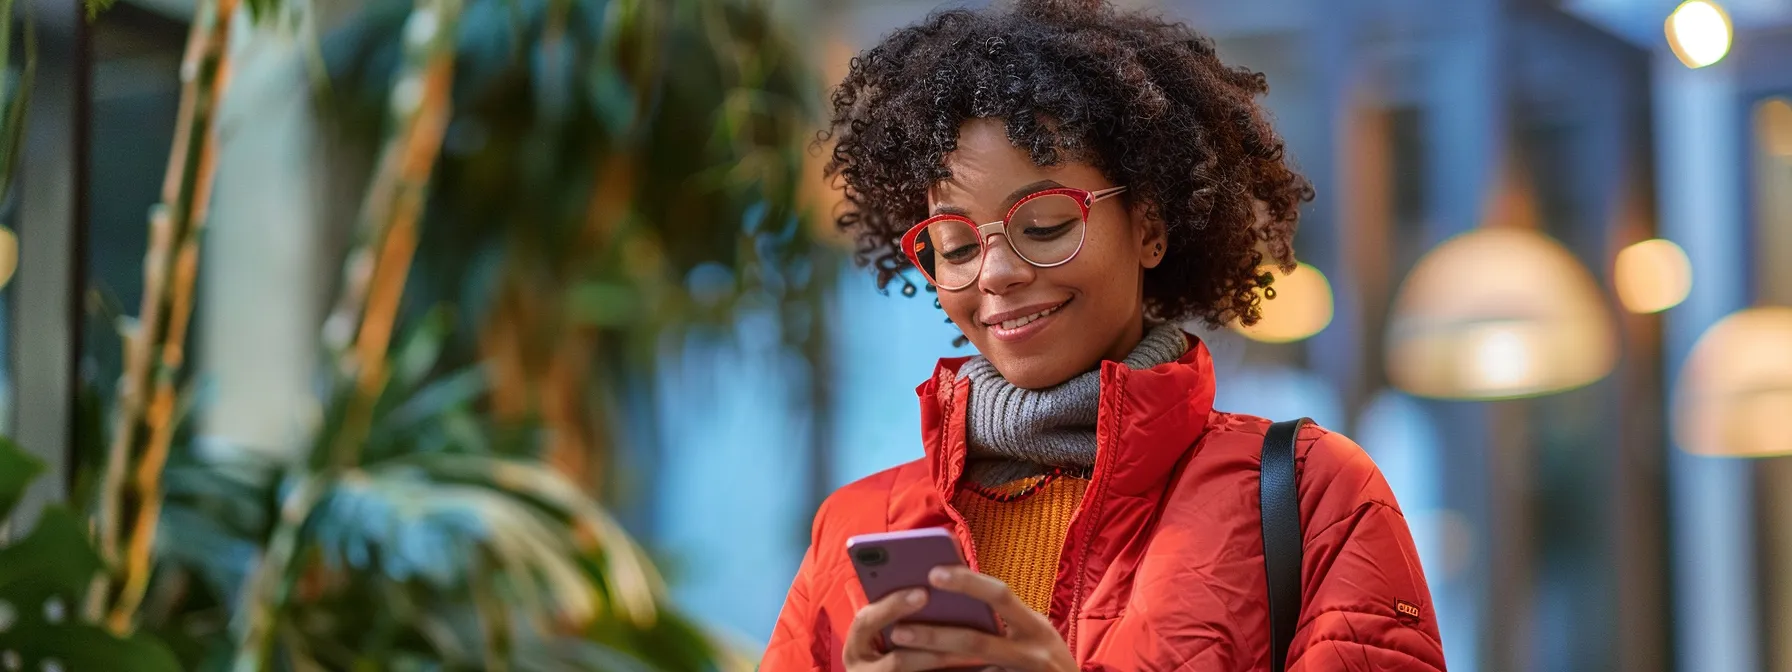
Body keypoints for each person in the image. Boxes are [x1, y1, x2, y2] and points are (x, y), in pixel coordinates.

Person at [763, 1, 1446, 670]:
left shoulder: (1311, 497)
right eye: (956, 244)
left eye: (1045, 226)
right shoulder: (857, 528)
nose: (996, 273)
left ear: (1148, 228)